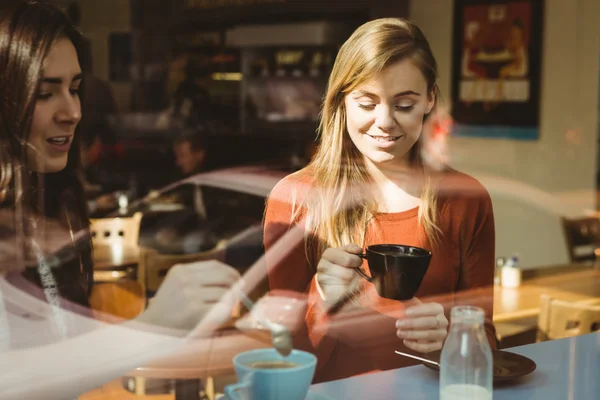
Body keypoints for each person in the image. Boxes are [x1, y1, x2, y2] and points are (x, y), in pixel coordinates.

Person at [0, 1, 239, 398]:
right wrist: (150, 326)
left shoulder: (45, 206)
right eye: (45, 93)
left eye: (75, 89)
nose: (73, 112)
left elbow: (68, 363)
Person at [264, 18, 497, 383]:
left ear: (430, 99)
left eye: (404, 104)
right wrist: (323, 299)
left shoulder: (466, 200)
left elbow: (486, 345)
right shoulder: (295, 199)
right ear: (342, 101)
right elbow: (279, 361)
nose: (384, 121)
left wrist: (449, 342)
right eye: (367, 102)